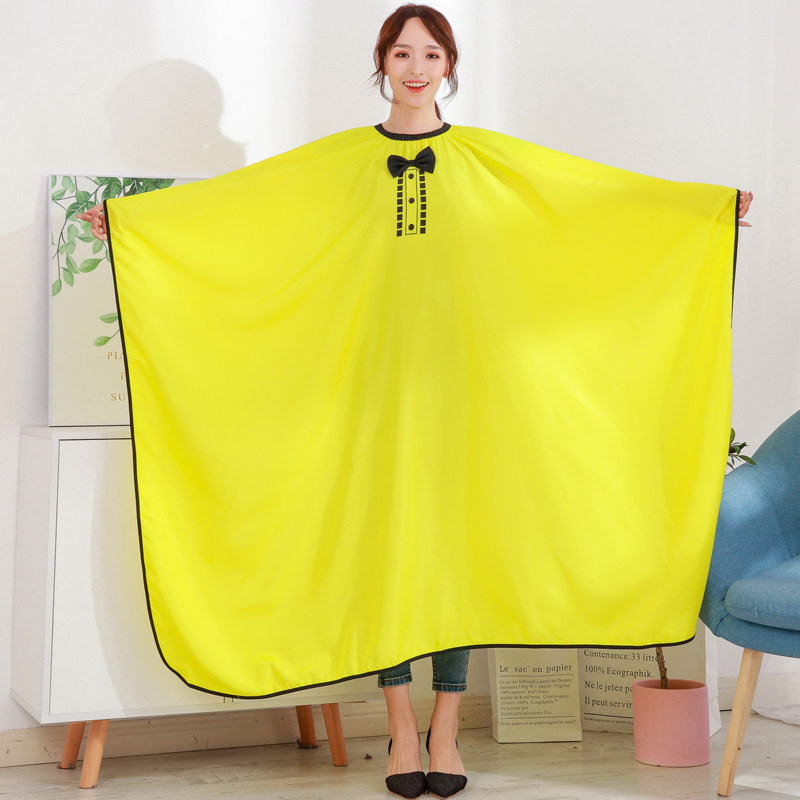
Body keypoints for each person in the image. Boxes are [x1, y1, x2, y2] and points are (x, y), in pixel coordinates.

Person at [80, 5, 753, 799]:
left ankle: (446, 728)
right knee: (387, 553)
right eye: (402, 53)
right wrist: (135, 228)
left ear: (450, 66)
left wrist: (702, 214)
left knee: (454, 555)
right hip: (371, 391)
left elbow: (586, 201)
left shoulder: (487, 160)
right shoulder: (339, 163)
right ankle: (401, 726)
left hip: (465, 392)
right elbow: (247, 212)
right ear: (382, 62)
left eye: (432, 54)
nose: (416, 67)